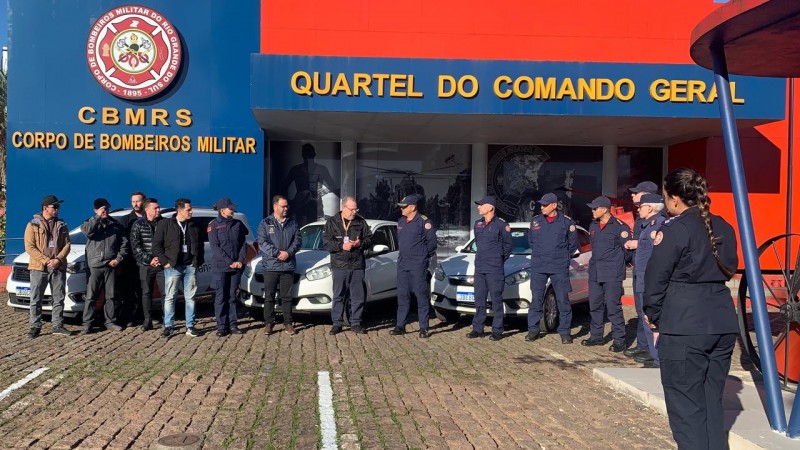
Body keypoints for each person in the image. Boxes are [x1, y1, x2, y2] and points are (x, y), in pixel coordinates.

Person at [644, 168, 738, 449]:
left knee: (687, 409)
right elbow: (730, 268)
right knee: (711, 404)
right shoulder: (723, 226)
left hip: (684, 325)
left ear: (674, 199)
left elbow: (655, 279)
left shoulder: (676, 230)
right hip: (721, 320)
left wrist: (655, 317)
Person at [580, 196, 632, 352]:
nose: (593, 211)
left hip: (612, 273)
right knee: (595, 305)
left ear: (605, 209)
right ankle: (596, 336)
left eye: (595, 208)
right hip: (595, 272)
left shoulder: (619, 227)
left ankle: (619, 340)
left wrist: (618, 264)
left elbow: (628, 251)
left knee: (613, 307)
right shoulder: (593, 226)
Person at [526, 192, 578, 344]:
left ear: (554, 205)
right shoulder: (535, 221)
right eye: (541, 204)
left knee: (562, 300)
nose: (541, 207)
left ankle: (565, 332)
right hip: (539, 266)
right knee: (536, 299)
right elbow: (531, 243)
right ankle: (533, 330)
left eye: (545, 205)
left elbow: (572, 245)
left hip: (558, 266)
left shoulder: (567, 223)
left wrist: (561, 257)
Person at [623, 193, 666, 367]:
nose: (638, 209)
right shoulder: (647, 225)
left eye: (641, 206)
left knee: (652, 319)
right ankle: (653, 354)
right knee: (646, 317)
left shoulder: (658, 225)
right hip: (642, 277)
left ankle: (657, 358)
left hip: (649, 279)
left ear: (650, 207)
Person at [152, 198, 204, 338]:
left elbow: (200, 245)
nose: (191, 211)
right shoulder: (165, 224)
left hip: (190, 266)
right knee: (170, 297)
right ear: (180, 211)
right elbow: (156, 246)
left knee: (191, 297)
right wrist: (165, 262)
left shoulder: (194, 225)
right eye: (188, 209)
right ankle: (169, 326)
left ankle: (190, 326)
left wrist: (197, 261)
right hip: (173, 267)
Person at [323, 196, 373, 335]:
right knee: (338, 295)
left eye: (356, 209)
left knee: (358, 296)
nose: (354, 212)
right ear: (343, 208)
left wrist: (360, 243)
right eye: (351, 209)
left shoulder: (361, 221)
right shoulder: (332, 222)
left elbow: (370, 239)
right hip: (340, 265)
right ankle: (337, 323)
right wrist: (341, 246)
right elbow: (327, 243)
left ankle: (356, 322)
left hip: (357, 264)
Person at [24, 195, 72, 338]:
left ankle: (57, 325)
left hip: (58, 266)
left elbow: (67, 245)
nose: (57, 209)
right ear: (45, 208)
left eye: (58, 207)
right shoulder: (32, 224)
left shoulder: (62, 224)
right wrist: (46, 260)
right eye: (54, 207)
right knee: (36, 298)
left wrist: (57, 259)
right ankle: (35, 326)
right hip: (39, 267)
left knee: (58, 298)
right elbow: (29, 247)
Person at [391, 195, 437, 338]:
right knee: (403, 296)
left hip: (418, 264)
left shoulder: (424, 222)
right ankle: (400, 325)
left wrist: (422, 256)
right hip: (403, 263)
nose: (401, 209)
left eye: (404, 207)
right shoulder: (401, 222)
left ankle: (424, 327)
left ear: (412, 207)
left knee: (421, 296)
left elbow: (432, 244)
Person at [467, 196, 512, 341]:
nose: (478, 207)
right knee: (479, 300)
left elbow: (508, 246)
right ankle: (477, 328)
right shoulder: (477, 224)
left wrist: (498, 259)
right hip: (480, 267)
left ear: (491, 207)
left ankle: (497, 330)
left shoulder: (501, 224)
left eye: (481, 205)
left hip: (495, 268)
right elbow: (479, 244)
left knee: (496, 300)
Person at [81, 198, 127, 334]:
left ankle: (110, 321)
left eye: (107, 208)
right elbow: (88, 232)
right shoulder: (89, 222)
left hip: (111, 265)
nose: (105, 211)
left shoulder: (115, 225)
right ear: (95, 210)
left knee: (110, 296)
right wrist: (97, 218)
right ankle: (87, 324)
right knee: (91, 296)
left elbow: (124, 244)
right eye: (102, 209)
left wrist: (118, 259)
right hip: (95, 265)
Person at [258, 195, 302, 335]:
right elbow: (262, 243)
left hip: (287, 266)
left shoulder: (292, 223)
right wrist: (277, 253)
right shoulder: (265, 223)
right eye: (283, 206)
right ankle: (269, 323)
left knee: (287, 297)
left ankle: (288, 323)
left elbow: (298, 240)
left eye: (286, 206)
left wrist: (288, 253)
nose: (285, 208)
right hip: (271, 266)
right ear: (275, 207)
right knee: (269, 296)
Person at [208, 197, 248, 337]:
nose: (233, 210)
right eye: (230, 208)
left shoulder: (238, 224)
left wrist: (240, 260)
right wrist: (229, 261)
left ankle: (233, 325)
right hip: (221, 267)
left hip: (236, 266)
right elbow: (215, 247)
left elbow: (243, 244)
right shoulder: (213, 225)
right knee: (221, 297)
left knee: (232, 297)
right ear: (222, 210)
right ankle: (221, 326)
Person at [129, 197, 164, 331]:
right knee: (146, 292)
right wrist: (150, 259)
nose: (158, 210)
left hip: (162, 264)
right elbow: (136, 246)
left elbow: (169, 243)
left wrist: (161, 258)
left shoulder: (164, 223)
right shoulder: (138, 225)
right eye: (155, 208)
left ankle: (166, 319)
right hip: (145, 265)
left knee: (165, 293)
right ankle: (147, 320)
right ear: (147, 209)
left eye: (158, 207)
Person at [284, 143, 339, 226]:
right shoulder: (295, 169)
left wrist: (324, 190)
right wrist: (292, 202)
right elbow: (284, 187)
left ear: (314, 155)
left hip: (316, 205)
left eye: (309, 153)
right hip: (301, 205)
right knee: (301, 229)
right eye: (306, 153)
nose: (308, 156)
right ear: (302, 155)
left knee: (315, 228)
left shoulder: (321, 169)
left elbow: (333, 186)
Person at [117, 191, 146, 328]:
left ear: (144, 202)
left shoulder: (150, 217)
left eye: (138, 201)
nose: (135, 204)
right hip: (131, 262)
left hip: (147, 260)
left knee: (144, 290)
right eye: (133, 201)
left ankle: (145, 316)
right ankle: (132, 318)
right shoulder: (126, 220)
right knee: (131, 292)